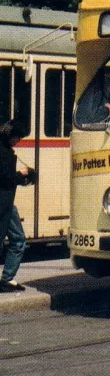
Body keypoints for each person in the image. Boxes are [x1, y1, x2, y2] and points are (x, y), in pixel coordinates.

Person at [0, 121, 28, 292]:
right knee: (17, 240)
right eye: (17, 138)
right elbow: (5, 178)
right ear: (10, 135)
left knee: (18, 239)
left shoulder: (5, 151)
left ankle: (8, 278)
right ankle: (7, 278)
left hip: (7, 203)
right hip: (3, 204)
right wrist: (21, 174)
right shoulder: (3, 153)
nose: (19, 141)